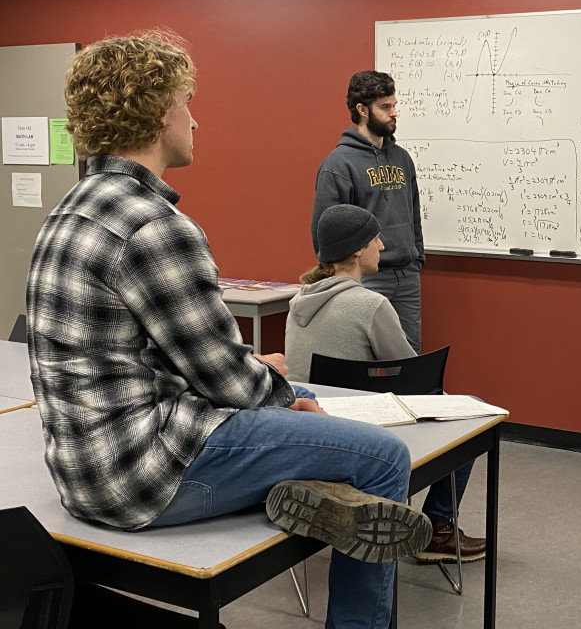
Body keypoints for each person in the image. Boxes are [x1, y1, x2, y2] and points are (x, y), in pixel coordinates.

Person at [25, 32, 431, 629]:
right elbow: (224, 377)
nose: (196, 120)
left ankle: (305, 492)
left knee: (296, 406)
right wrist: (287, 397)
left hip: (82, 474)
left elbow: (145, 356)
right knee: (382, 457)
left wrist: (266, 384)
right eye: (187, 102)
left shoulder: (66, 213)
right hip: (147, 477)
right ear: (161, 114)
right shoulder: (156, 227)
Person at [287, 203, 486, 564]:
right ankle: (439, 528)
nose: (382, 245)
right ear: (358, 249)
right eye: (374, 238)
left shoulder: (297, 301)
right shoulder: (371, 305)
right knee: (470, 408)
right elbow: (414, 379)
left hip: (306, 436)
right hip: (365, 441)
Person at [311, 70, 424, 352]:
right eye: (385, 107)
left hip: (407, 277)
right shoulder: (339, 164)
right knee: (363, 362)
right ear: (362, 110)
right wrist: (346, 276)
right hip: (365, 278)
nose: (394, 113)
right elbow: (324, 232)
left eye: (394, 105)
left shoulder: (401, 158)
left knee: (410, 361)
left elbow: (414, 213)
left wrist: (416, 258)